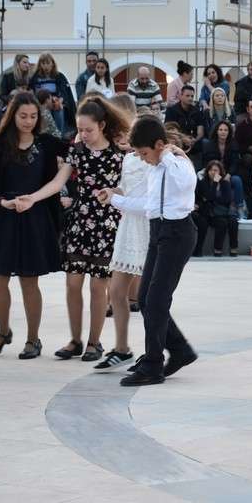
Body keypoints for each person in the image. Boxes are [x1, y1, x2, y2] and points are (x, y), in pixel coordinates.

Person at [0, 92, 73, 358]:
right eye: (23, 116)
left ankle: (33, 339)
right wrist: (2, 201)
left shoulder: (47, 143)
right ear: (12, 115)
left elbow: (78, 150)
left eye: (33, 116)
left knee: (29, 281)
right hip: (4, 215)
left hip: (35, 217)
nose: (28, 121)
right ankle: (3, 331)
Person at [97, 116, 199, 387]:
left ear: (158, 145)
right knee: (145, 298)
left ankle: (153, 364)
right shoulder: (154, 168)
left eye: (144, 153)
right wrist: (115, 199)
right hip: (158, 232)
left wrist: (168, 154)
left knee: (156, 300)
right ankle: (180, 349)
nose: (142, 159)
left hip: (177, 234)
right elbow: (147, 206)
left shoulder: (177, 164)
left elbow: (187, 183)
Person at [54, 97, 129, 362]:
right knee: (72, 283)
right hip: (80, 221)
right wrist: (33, 197)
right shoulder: (76, 151)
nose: (83, 134)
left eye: (88, 129)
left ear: (102, 126)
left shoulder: (120, 153)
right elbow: (58, 182)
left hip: (107, 224)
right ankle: (75, 340)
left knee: (98, 287)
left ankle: (94, 343)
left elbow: (128, 187)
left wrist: (113, 192)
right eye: (80, 129)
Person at [96, 128, 151, 372]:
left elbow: (148, 202)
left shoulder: (155, 161)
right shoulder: (128, 159)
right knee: (117, 291)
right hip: (128, 228)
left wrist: (116, 199)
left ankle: (153, 352)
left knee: (150, 298)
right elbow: (125, 188)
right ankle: (121, 349)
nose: (122, 139)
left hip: (148, 228)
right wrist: (112, 192)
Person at [194, 159, 239, 257]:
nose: (213, 172)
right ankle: (215, 249)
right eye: (211, 170)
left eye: (216, 170)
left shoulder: (225, 183)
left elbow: (227, 199)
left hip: (223, 211)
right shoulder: (203, 183)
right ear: (207, 171)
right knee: (220, 222)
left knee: (231, 222)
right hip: (209, 212)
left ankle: (231, 248)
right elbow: (209, 197)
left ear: (220, 172)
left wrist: (212, 199)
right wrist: (214, 184)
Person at [29, 52, 74, 133]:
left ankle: (59, 134)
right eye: (43, 63)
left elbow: (64, 93)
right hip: (41, 103)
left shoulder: (59, 76)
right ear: (40, 65)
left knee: (58, 109)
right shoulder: (35, 77)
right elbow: (32, 93)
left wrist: (58, 101)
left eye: (48, 63)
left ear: (52, 64)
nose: (46, 66)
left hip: (55, 102)